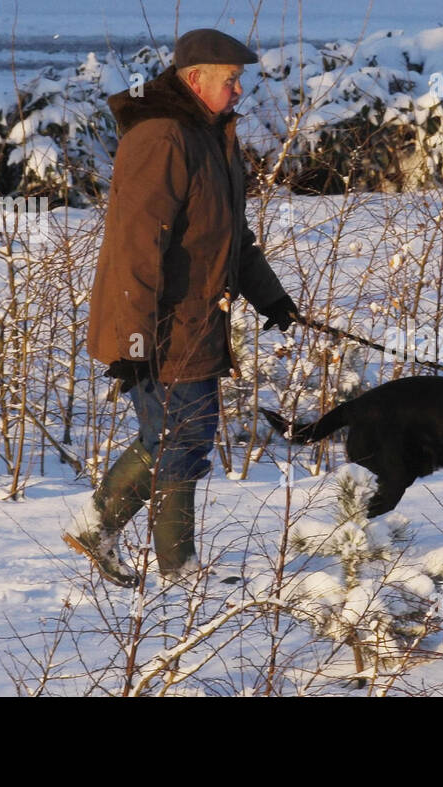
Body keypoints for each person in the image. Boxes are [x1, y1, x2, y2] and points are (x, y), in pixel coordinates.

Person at [63, 29, 299, 587]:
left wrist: (272, 297)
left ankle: (108, 534)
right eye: (230, 80)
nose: (239, 90)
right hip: (159, 323)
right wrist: (131, 342)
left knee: (178, 438)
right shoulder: (164, 138)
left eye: (240, 80)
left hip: (196, 323)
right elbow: (134, 244)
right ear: (195, 80)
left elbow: (228, 236)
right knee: (179, 440)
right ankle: (173, 569)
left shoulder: (210, 136)